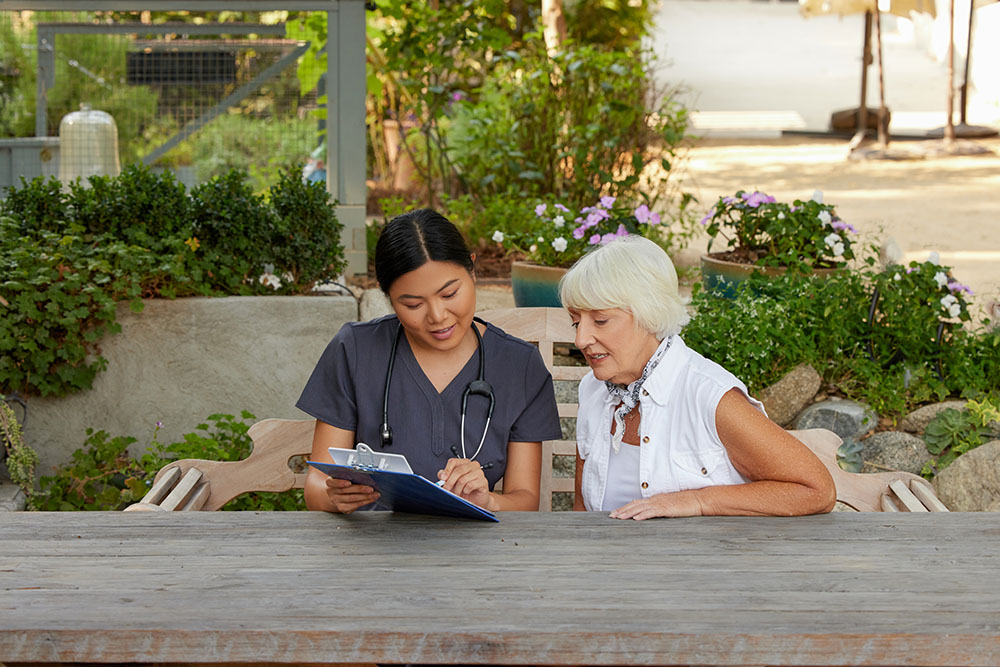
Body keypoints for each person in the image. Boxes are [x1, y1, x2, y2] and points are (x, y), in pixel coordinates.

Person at [298, 208, 562, 513]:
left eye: (449, 294)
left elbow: (525, 500)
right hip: (372, 550)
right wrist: (334, 497)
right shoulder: (355, 350)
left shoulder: (520, 366)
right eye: (412, 304)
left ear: (473, 271)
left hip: (474, 552)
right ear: (388, 298)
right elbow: (317, 484)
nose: (437, 317)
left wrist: (488, 500)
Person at [561, 235, 836, 519]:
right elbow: (582, 511)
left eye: (601, 320)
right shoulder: (593, 390)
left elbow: (816, 490)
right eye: (576, 322)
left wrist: (699, 501)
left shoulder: (709, 396)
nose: (581, 339)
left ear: (649, 313)